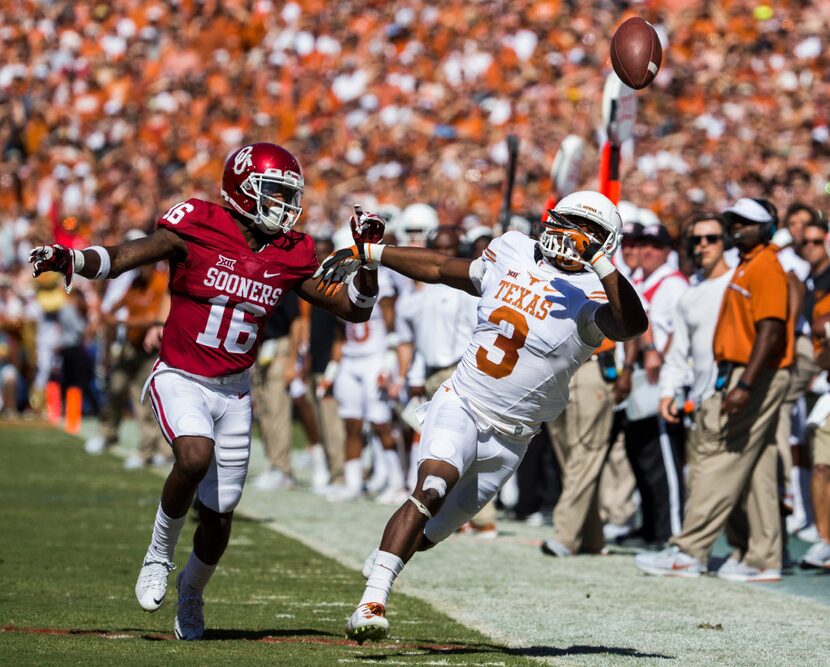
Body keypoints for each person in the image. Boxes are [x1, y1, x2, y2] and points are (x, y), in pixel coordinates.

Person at [28, 142, 381, 640]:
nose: (285, 205)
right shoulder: (196, 223)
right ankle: (157, 553)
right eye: (275, 193)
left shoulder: (292, 251)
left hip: (235, 391)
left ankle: (192, 593)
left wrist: (367, 263)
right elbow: (128, 254)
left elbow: (354, 309)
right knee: (193, 457)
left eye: (288, 195)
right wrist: (72, 258)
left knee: (219, 517)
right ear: (242, 190)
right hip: (181, 375)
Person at [315, 190, 647, 642]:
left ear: (606, 244)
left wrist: (603, 265)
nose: (575, 237)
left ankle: (388, 556)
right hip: (464, 401)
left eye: (589, 232)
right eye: (570, 223)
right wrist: (374, 251)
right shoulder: (512, 249)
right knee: (432, 485)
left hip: (513, 437)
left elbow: (630, 327)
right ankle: (371, 602)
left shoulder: (595, 291)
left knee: (429, 535)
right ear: (552, 219)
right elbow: (439, 268)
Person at [635, 197, 792, 582]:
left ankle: (690, 550)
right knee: (754, 468)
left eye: (747, 223)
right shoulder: (748, 266)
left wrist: (746, 383)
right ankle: (762, 556)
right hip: (731, 375)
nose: (738, 228)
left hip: (749, 374)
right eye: (734, 221)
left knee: (719, 461)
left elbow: (771, 329)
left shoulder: (765, 265)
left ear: (767, 228)